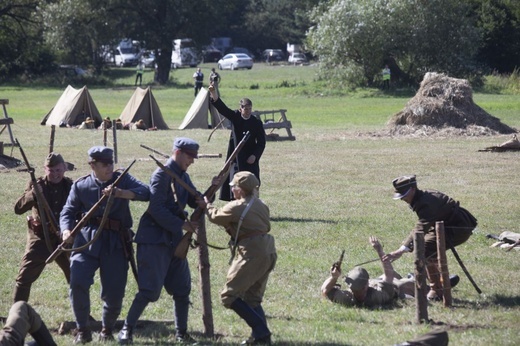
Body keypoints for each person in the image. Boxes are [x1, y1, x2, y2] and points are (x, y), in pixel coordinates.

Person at [117, 138, 203, 345]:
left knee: (182, 289)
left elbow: (193, 198)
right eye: (189, 156)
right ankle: (126, 330)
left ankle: (181, 334)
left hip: (175, 241)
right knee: (149, 291)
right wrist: (182, 225)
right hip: (154, 240)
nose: (192, 161)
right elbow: (156, 209)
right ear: (178, 153)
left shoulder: (183, 176)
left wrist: (207, 195)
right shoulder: (161, 175)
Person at [60, 146, 149, 344]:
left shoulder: (122, 178)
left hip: (115, 243)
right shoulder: (81, 185)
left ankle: (107, 329)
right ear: (93, 165)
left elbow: (146, 192)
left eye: (111, 162)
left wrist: (121, 193)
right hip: (86, 242)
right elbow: (67, 212)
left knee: (114, 291)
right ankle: (82, 330)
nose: (110, 167)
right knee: (78, 282)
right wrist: (66, 230)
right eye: (104, 164)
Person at [202, 171, 276, 345]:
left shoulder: (236, 206)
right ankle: (261, 339)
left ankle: (262, 331)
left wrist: (207, 205)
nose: (232, 190)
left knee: (229, 296)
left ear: (241, 190)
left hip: (251, 252)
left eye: (234, 187)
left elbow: (215, 217)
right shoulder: (261, 204)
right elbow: (266, 226)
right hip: (268, 250)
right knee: (252, 298)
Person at [383, 175, 477, 301]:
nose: (403, 199)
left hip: (457, 228)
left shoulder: (426, 203)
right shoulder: (422, 197)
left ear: (413, 189)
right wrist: (404, 247)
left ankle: (437, 290)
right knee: (424, 247)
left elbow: (421, 228)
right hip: (447, 225)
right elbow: (422, 227)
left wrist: (401, 250)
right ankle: (442, 279)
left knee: (424, 249)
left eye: (404, 195)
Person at [13, 152, 73, 303]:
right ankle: (17, 315)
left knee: (76, 277)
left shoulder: (70, 186)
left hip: (64, 239)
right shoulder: (36, 185)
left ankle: (83, 316)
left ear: (64, 168)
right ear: (45, 169)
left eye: (58, 170)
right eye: (50, 170)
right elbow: (18, 209)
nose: (54, 174)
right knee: (24, 277)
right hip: (40, 238)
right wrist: (33, 194)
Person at [208, 84, 266, 201]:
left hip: (250, 157)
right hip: (236, 156)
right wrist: (213, 93)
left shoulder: (256, 123)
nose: (248, 111)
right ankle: (236, 205)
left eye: (250, 109)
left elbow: (261, 142)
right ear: (241, 109)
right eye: (246, 109)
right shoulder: (235, 117)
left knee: (252, 183)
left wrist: (255, 155)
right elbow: (222, 108)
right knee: (235, 182)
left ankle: (252, 204)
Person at [321, 236, 415, 308]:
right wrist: (379, 250)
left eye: (361, 289)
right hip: (394, 287)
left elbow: (325, 290)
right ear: (351, 289)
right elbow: (389, 274)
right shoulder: (377, 296)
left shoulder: (348, 298)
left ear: (367, 284)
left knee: (388, 277)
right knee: (408, 284)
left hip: (377, 281)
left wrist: (334, 277)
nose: (359, 294)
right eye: (356, 291)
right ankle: (412, 277)